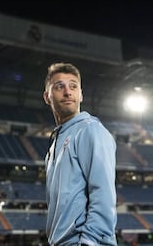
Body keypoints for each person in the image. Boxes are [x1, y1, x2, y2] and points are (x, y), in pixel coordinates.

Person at [43, 62, 118, 246]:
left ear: (81, 94)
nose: (68, 92)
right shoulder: (54, 144)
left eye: (73, 86)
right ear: (47, 96)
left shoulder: (90, 130)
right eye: (59, 86)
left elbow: (103, 193)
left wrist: (90, 241)